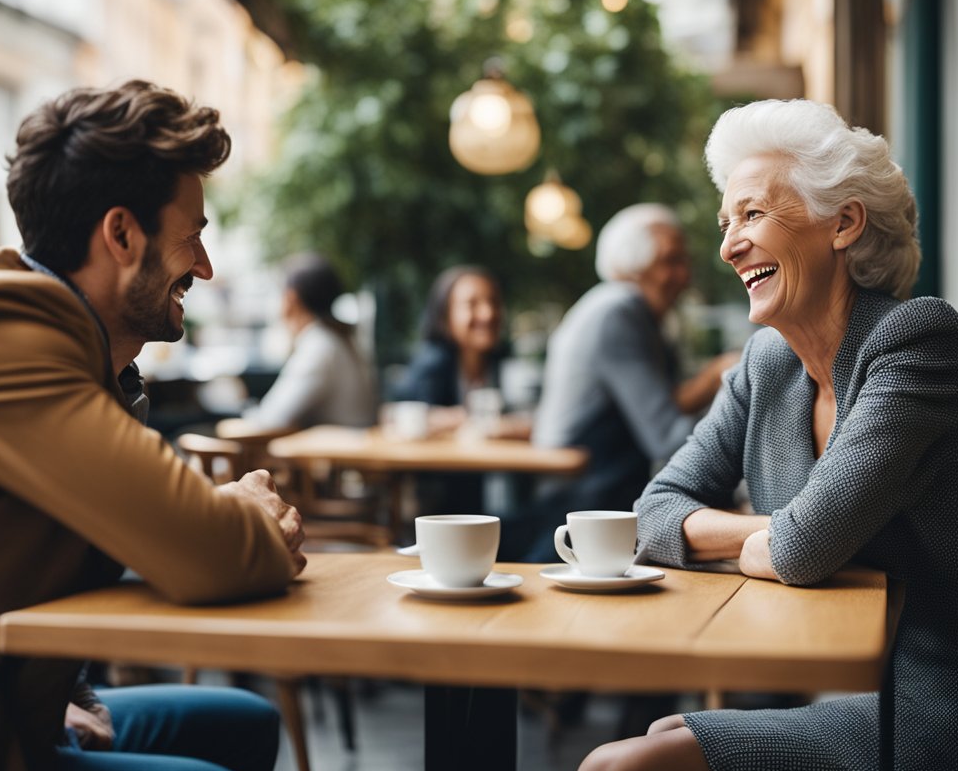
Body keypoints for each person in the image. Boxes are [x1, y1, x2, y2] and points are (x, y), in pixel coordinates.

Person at [577, 99, 958, 771]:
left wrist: (789, 537)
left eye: (752, 215)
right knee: (657, 740)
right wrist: (773, 533)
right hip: (864, 683)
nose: (727, 246)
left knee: (621, 767)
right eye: (727, 222)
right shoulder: (767, 362)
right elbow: (656, 511)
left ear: (844, 223)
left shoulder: (919, 342)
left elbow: (805, 551)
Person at [0, 81, 306, 771]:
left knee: (245, 722)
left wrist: (64, 688)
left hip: (10, 702)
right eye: (192, 238)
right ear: (122, 234)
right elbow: (207, 553)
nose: (206, 268)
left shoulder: (63, 341)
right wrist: (244, 514)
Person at [501, 204, 737, 563]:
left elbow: (658, 406)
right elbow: (666, 437)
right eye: (670, 261)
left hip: (585, 488)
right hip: (583, 499)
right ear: (632, 267)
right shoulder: (619, 312)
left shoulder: (618, 309)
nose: (685, 275)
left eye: (684, 261)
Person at [392, 265, 527, 438]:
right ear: (445, 315)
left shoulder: (501, 361)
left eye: (494, 302)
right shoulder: (431, 364)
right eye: (472, 304)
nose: (488, 313)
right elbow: (404, 419)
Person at [247, 252, 375, 429]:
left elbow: (270, 418)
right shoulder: (339, 338)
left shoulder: (319, 345)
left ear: (291, 299)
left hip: (336, 453)